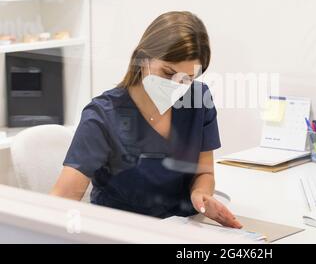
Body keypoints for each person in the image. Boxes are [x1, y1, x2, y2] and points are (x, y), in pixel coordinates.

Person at [51, 11, 242, 228]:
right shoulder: (103, 115)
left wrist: (201, 195)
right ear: (143, 59)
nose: (176, 85)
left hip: (183, 229)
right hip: (122, 232)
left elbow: (204, 172)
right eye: (168, 73)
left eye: (187, 79)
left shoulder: (197, 100)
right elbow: (63, 199)